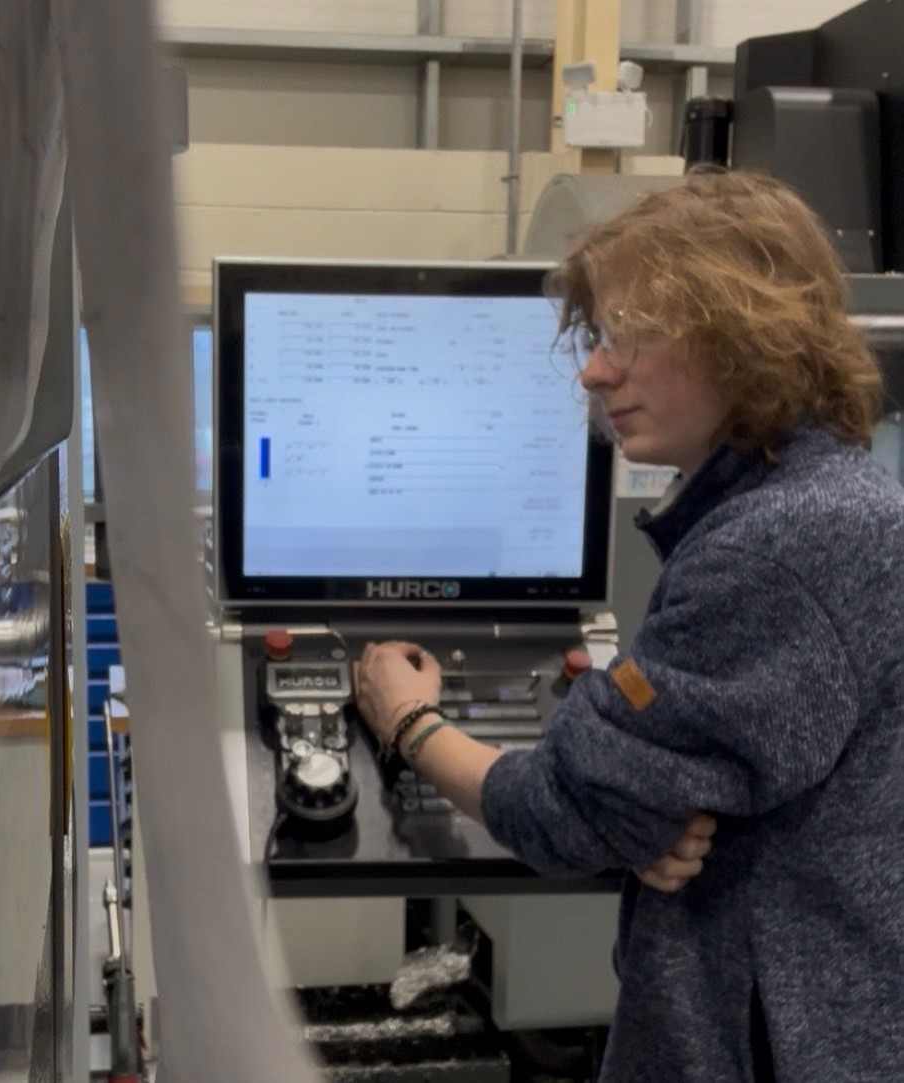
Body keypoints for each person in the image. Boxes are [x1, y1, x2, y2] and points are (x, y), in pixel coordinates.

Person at [354, 170, 904, 1083]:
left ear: (745, 337)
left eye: (629, 338)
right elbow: (632, 785)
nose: (594, 368)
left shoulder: (777, 545)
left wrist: (407, 720)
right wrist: (643, 805)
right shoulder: (812, 500)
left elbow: (566, 808)